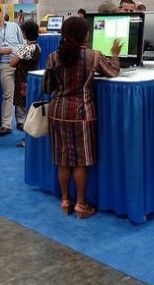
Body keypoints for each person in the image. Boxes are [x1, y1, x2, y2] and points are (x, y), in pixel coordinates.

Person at [44, 17, 121, 219]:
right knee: (80, 161)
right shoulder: (93, 56)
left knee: (63, 160)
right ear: (83, 35)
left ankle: (64, 200)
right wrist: (115, 55)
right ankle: (81, 204)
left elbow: (46, 87)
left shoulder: (53, 57)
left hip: (57, 113)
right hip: (82, 114)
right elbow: (113, 73)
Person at [0, 5, 24, 135]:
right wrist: (1, 51)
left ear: (2, 13)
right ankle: (6, 125)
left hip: (19, 63)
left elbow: (23, 43)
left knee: (21, 93)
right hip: (5, 65)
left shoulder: (14, 26)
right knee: (8, 95)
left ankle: (21, 121)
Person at [10, 20, 42, 147]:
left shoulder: (25, 48)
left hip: (22, 81)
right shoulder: (37, 47)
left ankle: (29, 138)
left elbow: (12, 62)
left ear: (24, 34)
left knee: (27, 110)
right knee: (29, 109)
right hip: (31, 80)